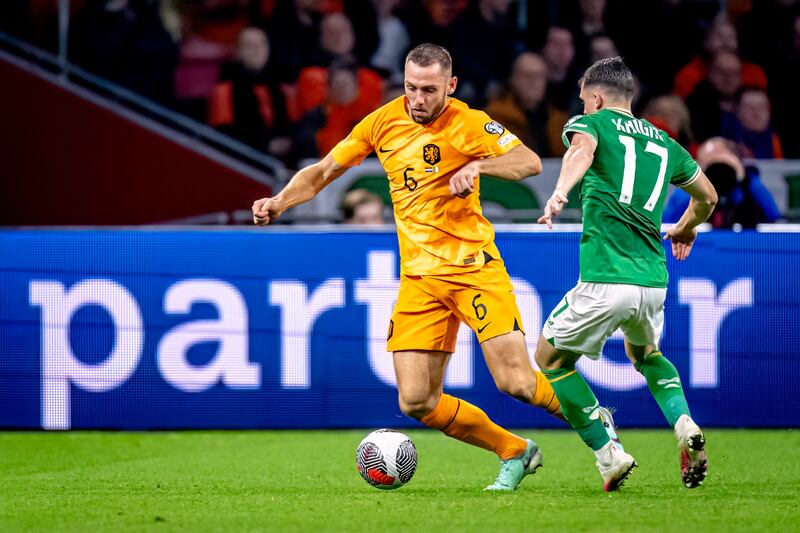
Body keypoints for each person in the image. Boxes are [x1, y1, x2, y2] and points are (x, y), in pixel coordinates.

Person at [253, 43, 610, 492]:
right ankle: (514, 451)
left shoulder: (470, 122)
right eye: (410, 88)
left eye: (428, 90)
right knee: (417, 400)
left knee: (517, 383)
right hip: (420, 280)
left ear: (450, 85)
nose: (417, 99)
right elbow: (324, 170)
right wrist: (279, 201)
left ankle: (597, 423)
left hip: (473, 267)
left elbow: (529, 162)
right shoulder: (383, 122)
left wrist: (479, 166)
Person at [535, 57, 718, 492]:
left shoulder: (592, 124)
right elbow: (708, 197)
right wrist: (685, 227)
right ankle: (683, 420)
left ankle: (608, 454)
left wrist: (560, 192)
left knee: (549, 360)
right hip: (652, 282)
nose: (582, 105)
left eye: (584, 99)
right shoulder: (665, 142)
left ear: (596, 98)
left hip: (605, 276)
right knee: (646, 356)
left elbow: (579, 151)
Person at [663, 137, 780, 228]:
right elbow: (666, 224)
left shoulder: (751, 186)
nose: (718, 171)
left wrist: (742, 180)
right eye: (708, 166)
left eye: (722, 163)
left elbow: (774, 220)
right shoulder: (686, 192)